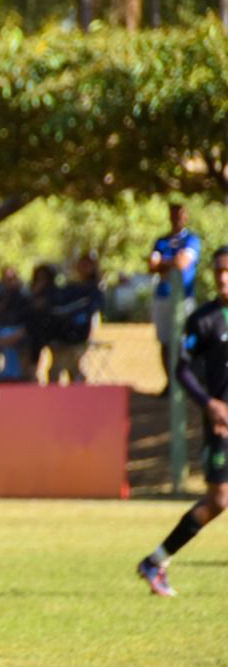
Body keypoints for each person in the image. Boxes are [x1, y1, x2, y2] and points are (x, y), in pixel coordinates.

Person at [137, 245, 228, 597]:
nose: (222, 277)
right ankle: (156, 561)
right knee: (218, 501)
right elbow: (182, 370)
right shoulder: (204, 320)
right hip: (221, 424)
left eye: (227, 270)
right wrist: (209, 404)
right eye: (218, 271)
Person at [148, 203, 201, 395]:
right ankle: (170, 382)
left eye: (179, 214)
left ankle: (185, 382)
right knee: (165, 341)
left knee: (183, 342)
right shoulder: (161, 241)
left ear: (185, 216)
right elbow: (152, 266)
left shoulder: (191, 240)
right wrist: (169, 263)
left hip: (183, 298)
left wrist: (163, 263)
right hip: (163, 297)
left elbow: (183, 263)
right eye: (173, 215)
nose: (176, 218)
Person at [47, 254, 104, 384]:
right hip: (61, 333)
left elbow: (89, 309)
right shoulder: (71, 287)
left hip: (78, 334)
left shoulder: (94, 290)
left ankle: (76, 394)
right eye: (81, 264)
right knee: (57, 366)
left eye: (87, 265)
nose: (83, 268)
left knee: (69, 364)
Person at [0, 267, 31, 383]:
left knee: (7, 335)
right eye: (7, 279)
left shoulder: (24, 297)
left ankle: (11, 375)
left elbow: (27, 321)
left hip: (17, 331)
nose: (10, 282)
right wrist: (5, 300)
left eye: (12, 279)